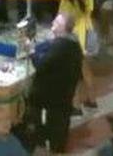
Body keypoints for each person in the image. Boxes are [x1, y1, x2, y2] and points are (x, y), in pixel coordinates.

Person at [28, 15, 84, 153]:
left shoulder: (60, 46)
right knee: (61, 125)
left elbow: (41, 65)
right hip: (64, 94)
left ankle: (48, 147)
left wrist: (31, 52)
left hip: (51, 96)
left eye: (57, 22)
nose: (53, 22)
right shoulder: (72, 43)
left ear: (64, 28)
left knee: (52, 126)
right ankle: (57, 148)